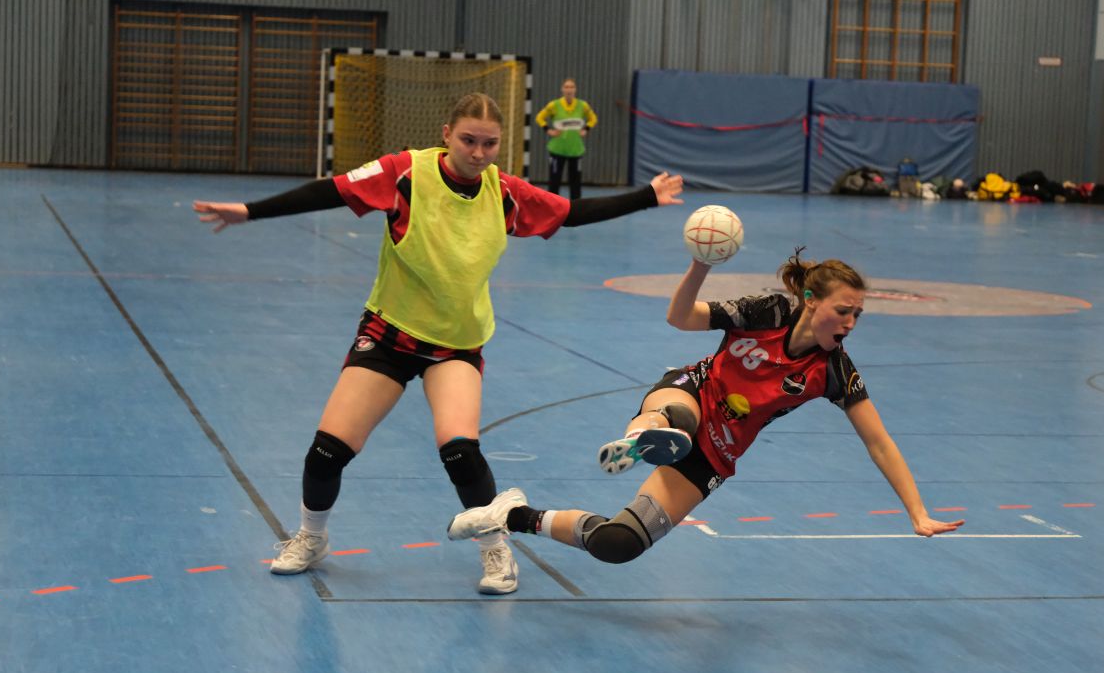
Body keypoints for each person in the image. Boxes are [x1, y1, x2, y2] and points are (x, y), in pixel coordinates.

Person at [192, 92, 684, 594]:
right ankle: (311, 537)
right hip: (389, 335)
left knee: (460, 451)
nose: (479, 152)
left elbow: (571, 212)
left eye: (490, 144)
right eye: (469, 140)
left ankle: (494, 548)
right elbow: (332, 191)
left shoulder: (505, 192)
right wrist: (249, 211)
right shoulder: (405, 173)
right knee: (327, 451)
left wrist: (646, 196)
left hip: (456, 346)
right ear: (447, 134)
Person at [447, 249, 965, 563]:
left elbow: (879, 442)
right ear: (811, 300)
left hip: (718, 453)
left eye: (857, 315)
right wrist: (699, 265)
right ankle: (643, 437)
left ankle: (512, 513)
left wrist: (917, 512)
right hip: (693, 391)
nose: (850, 323)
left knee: (618, 544)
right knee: (678, 419)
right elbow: (680, 318)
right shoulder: (768, 312)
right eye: (843, 311)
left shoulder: (833, 371)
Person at [535, 78, 597, 199]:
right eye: (566, 87)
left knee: (575, 181)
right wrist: (548, 130)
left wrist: (586, 129)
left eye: (571, 87)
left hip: (575, 149)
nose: (569, 90)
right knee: (554, 181)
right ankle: (553, 205)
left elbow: (593, 118)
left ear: (575, 89)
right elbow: (539, 117)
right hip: (557, 149)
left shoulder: (582, 105)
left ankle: (576, 206)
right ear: (562, 89)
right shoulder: (554, 105)